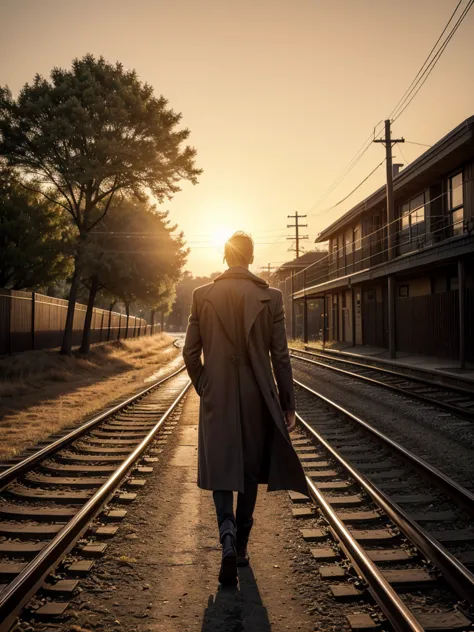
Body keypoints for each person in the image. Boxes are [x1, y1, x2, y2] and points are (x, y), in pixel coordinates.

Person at [183, 231, 308, 586]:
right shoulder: (271, 297)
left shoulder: (201, 296)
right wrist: (287, 404)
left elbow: (190, 353)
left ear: (225, 257)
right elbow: (280, 357)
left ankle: (224, 537)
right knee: (250, 470)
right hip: (257, 396)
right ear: (250, 258)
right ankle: (240, 546)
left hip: (216, 395)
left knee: (221, 466)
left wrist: (205, 384)